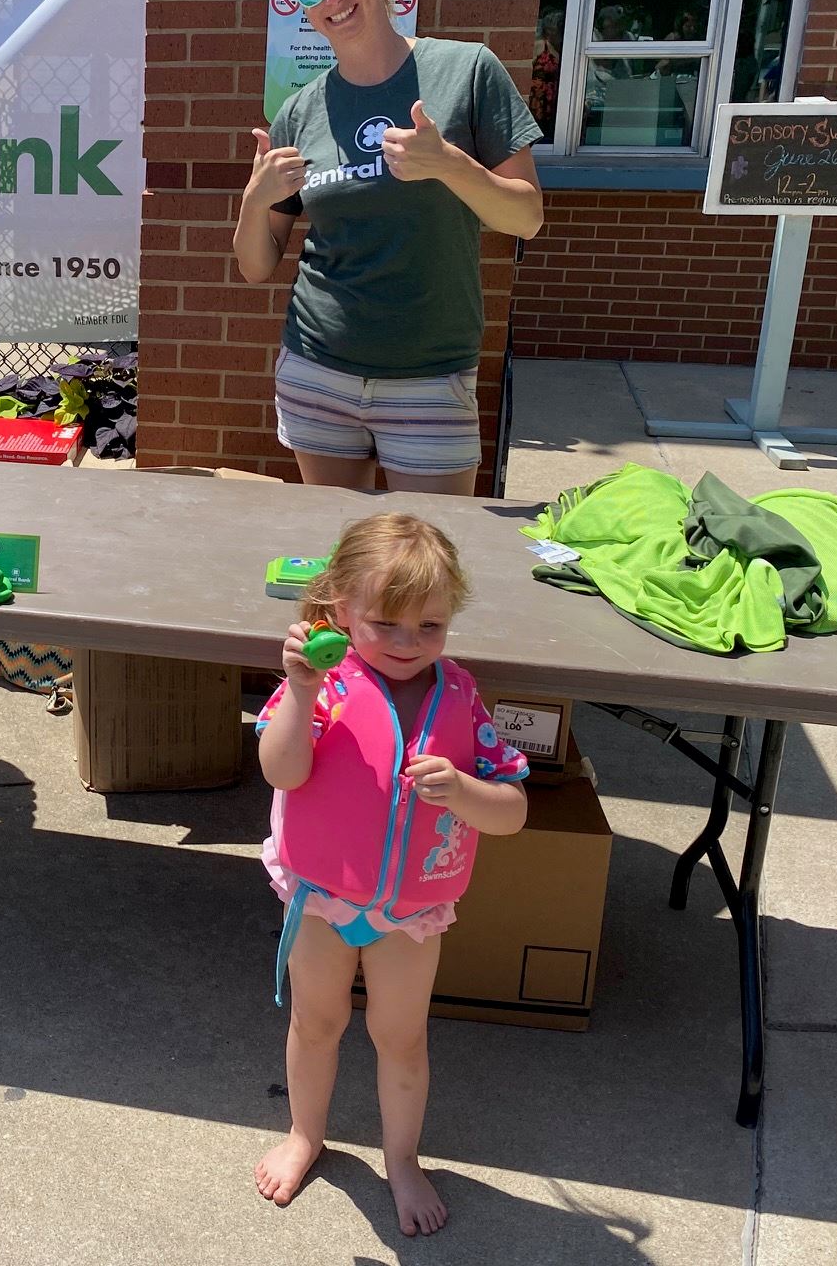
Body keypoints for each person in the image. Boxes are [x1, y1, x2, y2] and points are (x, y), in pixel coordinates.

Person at [252, 513, 529, 1236]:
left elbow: (512, 812)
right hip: (321, 900)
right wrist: (302, 690)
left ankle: (402, 1159)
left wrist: (464, 792)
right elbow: (281, 769)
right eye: (386, 624)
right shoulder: (326, 684)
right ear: (338, 610)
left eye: (430, 626)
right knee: (316, 1022)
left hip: (411, 914)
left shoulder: (461, 698)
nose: (410, 644)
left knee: (400, 1038)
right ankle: (305, 1135)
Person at [234, 0, 544, 496]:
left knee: (427, 558)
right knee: (342, 550)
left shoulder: (466, 71)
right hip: (317, 367)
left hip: (428, 373)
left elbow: (526, 215)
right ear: (300, 6)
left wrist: (449, 164)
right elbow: (256, 265)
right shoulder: (299, 111)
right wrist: (255, 202)